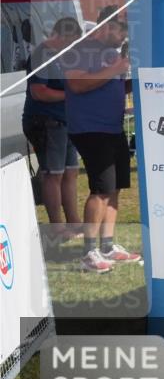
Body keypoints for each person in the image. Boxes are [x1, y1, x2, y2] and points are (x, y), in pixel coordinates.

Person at [63, 7, 142, 273]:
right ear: (107, 26)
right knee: (101, 189)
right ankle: (89, 252)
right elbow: (76, 84)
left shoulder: (112, 55)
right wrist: (117, 67)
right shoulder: (80, 49)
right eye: (121, 30)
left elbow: (113, 84)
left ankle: (107, 245)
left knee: (116, 186)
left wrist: (136, 81)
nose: (123, 37)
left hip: (113, 128)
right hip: (90, 129)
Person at [22, 17, 84, 242]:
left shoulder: (62, 56)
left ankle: (75, 223)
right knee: (52, 175)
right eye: (72, 41)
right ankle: (57, 229)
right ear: (62, 36)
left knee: (70, 172)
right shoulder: (42, 55)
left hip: (65, 122)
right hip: (45, 121)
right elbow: (39, 92)